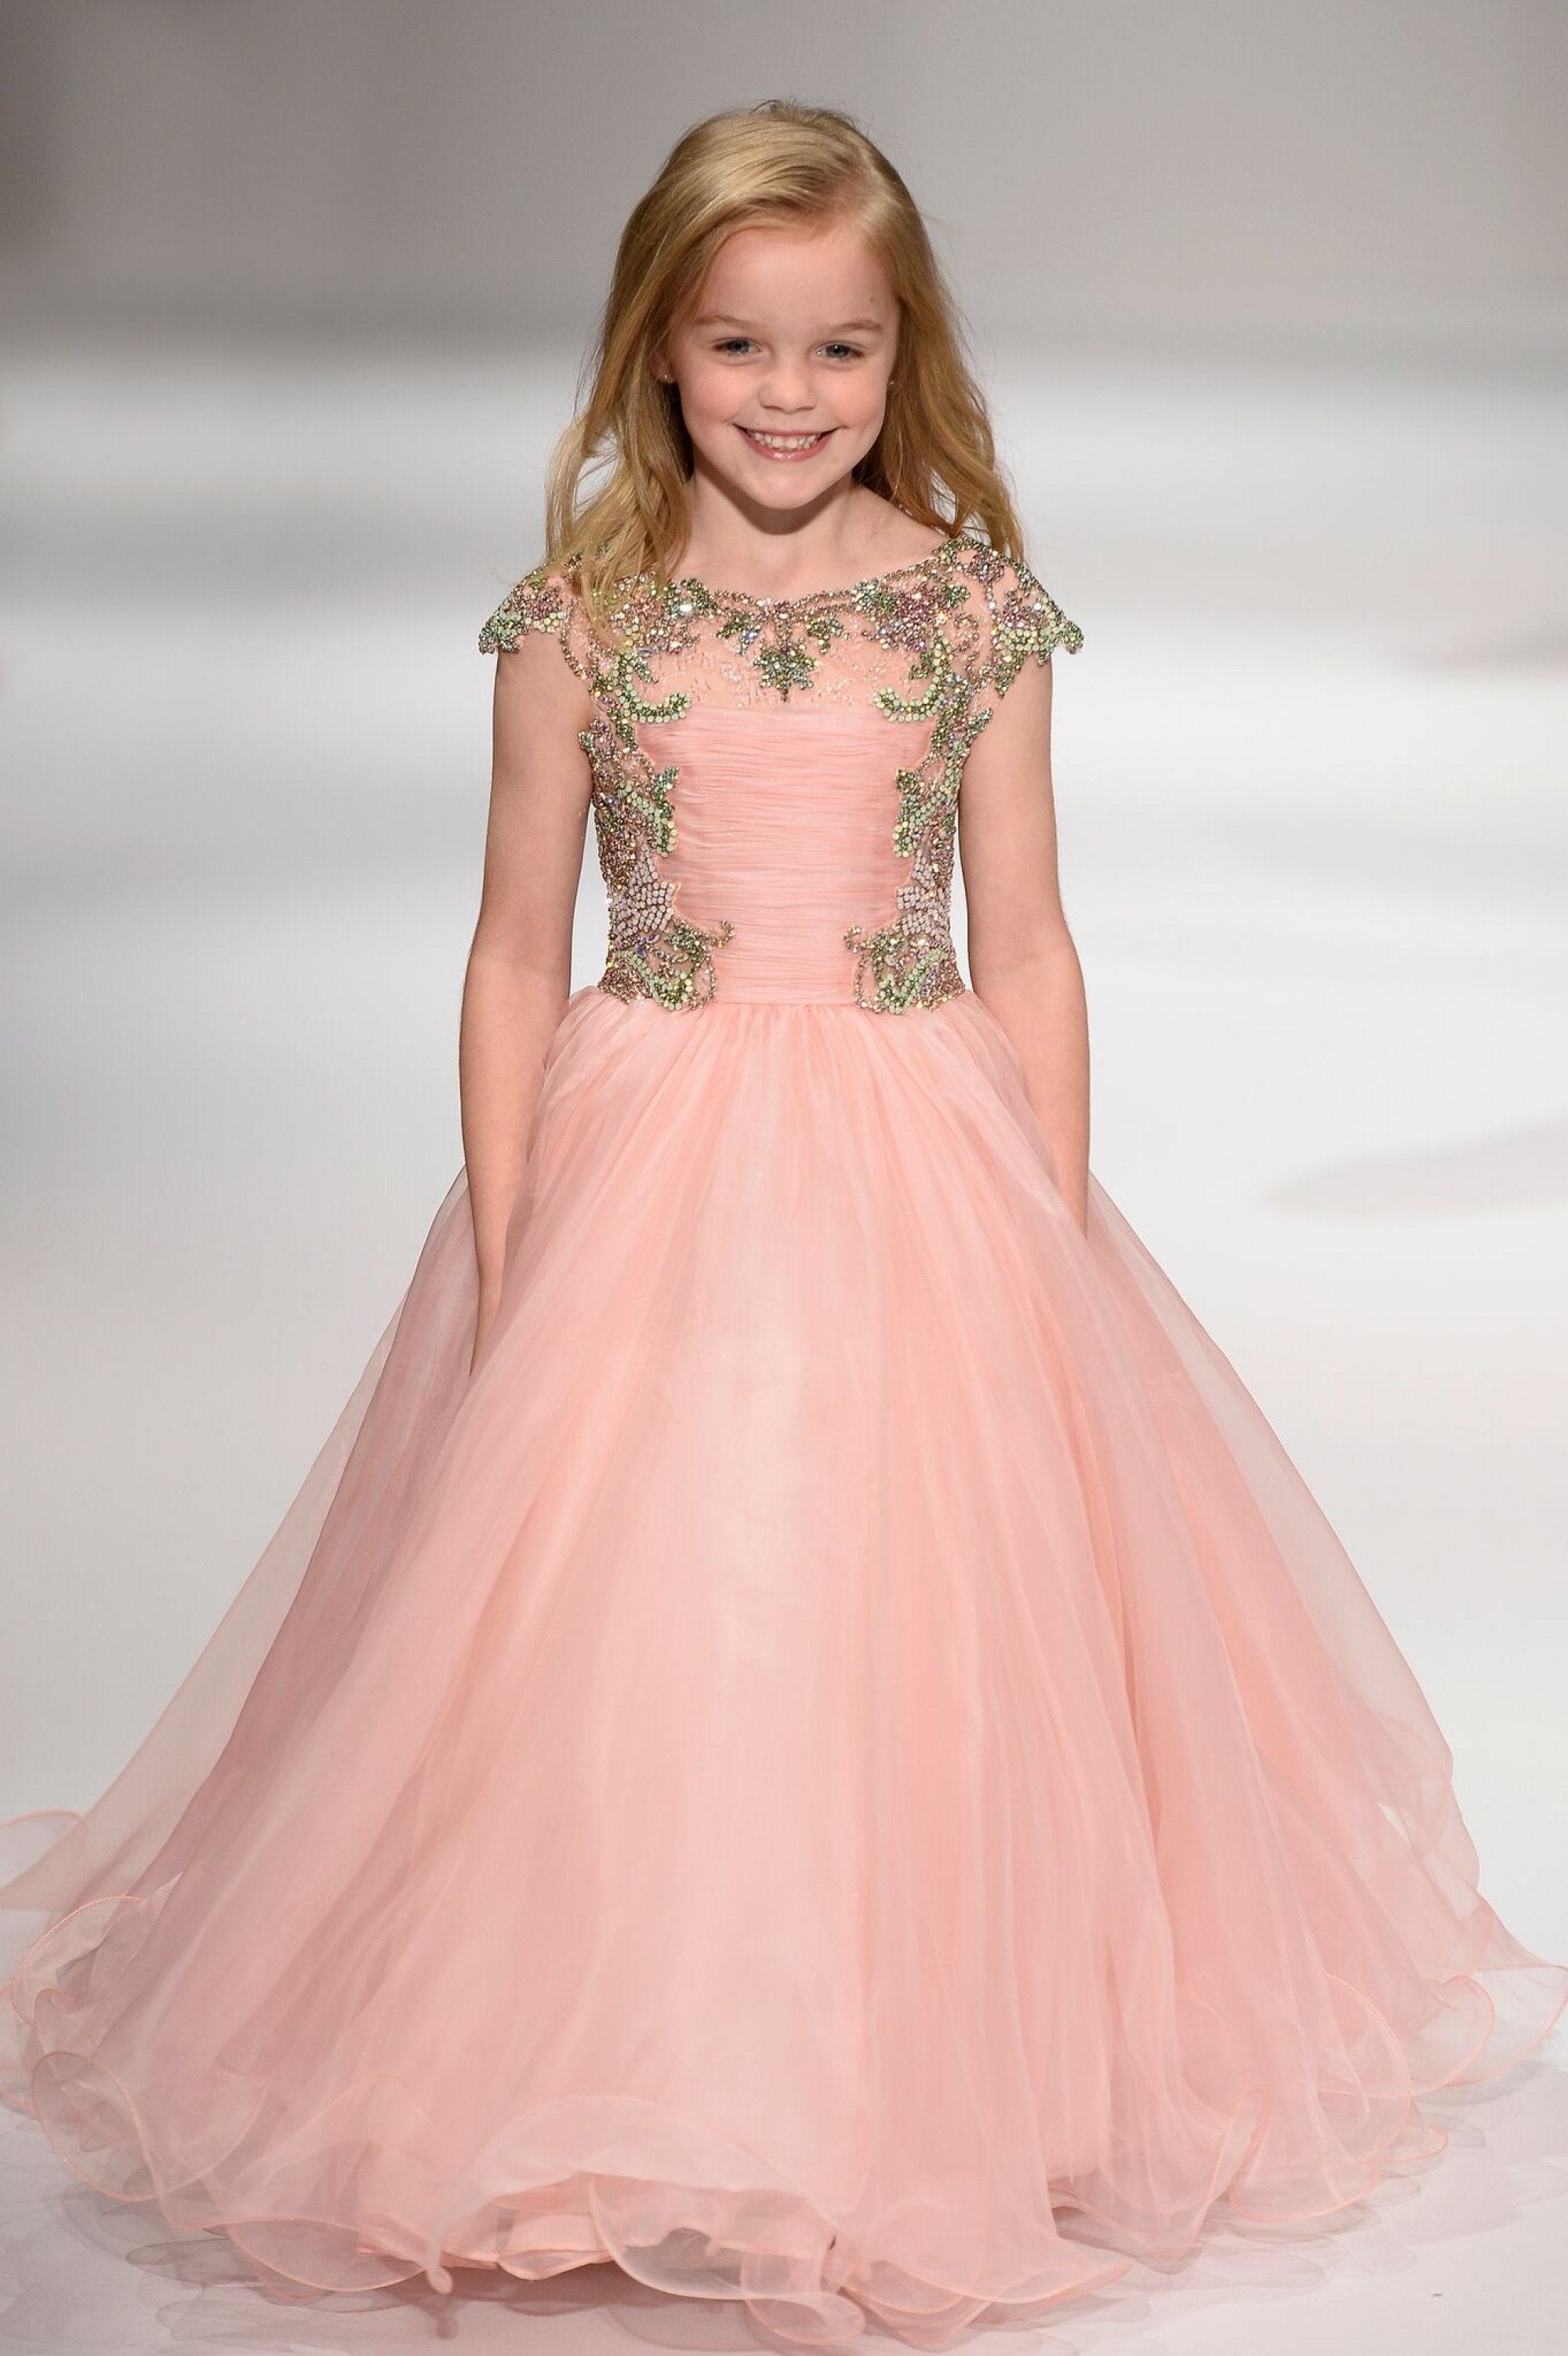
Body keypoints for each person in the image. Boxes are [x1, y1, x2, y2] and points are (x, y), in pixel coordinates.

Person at [1, 98, 1562, 2354]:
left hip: (920, 1143)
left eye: (840, 347)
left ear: (904, 353)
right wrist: (514, 1243)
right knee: (642, 1599)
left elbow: (1031, 944)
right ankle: (605, 2059)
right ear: (656, 345)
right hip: (644, 1139)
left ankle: (914, 2069)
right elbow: (507, 955)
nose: (790, 394)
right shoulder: (581, 625)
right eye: (739, 343)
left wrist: (1052, 1237)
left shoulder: (971, 613)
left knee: (903, 1593)